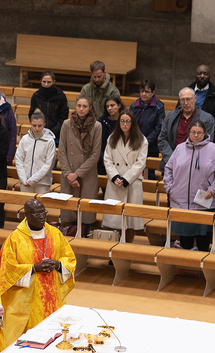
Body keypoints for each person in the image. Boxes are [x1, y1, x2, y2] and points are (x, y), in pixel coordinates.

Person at [0, 199, 77, 345]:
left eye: (43, 212)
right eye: (37, 214)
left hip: (53, 295)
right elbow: (6, 271)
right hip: (29, 300)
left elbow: (69, 259)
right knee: (32, 340)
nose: (42, 217)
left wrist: (57, 264)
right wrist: (33, 269)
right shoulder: (15, 239)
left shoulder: (55, 234)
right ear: (26, 215)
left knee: (55, 335)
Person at [163, 121, 215, 251]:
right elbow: (168, 169)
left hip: (204, 202)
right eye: (193, 132)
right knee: (185, 243)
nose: (196, 135)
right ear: (189, 132)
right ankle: (186, 263)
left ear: (205, 133)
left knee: (203, 243)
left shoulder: (214, 149)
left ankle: (202, 264)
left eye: (199, 133)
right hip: (181, 203)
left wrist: (213, 189)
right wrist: (170, 187)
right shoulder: (180, 148)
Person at [102, 110, 149, 243]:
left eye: (128, 121)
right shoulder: (112, 138)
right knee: (115, 218)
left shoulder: (142, 140)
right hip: (115, 182)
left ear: (133, 122)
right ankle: (115, 246)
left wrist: (126, 179)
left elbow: (140, 163)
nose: (125, 124)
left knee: (131, 219)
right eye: (122, 121)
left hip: (132, 183)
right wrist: (115, 177)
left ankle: (127, 246)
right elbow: (107, 160)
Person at [58, 96, 102, 236]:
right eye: (79, 106)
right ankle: (71, 240)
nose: (81, 109)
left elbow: (95, 155)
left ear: (90, 108)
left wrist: (77, 174)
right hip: (69, 174)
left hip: (87, 175)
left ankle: (84, 240)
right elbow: (62, 151)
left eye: (84, 106)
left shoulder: (96, 126)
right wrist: (69, 174)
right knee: (70, 210)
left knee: (86, 211)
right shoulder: (66, 124)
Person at [157, 87, 215, 175]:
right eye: (182, 100)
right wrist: (173, 159)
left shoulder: (207, 119)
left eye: (189, 99)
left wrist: (186, 162)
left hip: (194, 169)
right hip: (171, 165)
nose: (186, 103)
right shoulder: (170, 116)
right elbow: (162, 140)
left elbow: (207, 144)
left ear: (195, 99)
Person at [129, 79, 165, 178]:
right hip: (136, 144)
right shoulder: (134, 106)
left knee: (150, 174)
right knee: (135, 171)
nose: (144, 94)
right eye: (142, 91)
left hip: (152, 146)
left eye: (147, 91)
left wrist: (146, 141)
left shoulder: (159, 107)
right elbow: (130, 124)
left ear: (153, 92)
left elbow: (159, 127)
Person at [14, 111, 56, 192]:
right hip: (25, 182)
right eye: (34, 125)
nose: (37, 128)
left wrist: (33, 180)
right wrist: (23, 179)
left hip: (42, 183)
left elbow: (48, 164)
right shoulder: (25, 139)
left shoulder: (49, 141)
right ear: (30, 124)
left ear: (44, 124)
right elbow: (18, 159)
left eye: (40, 126)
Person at [28, 70, 68, 144]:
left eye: (49, 82)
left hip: (56, 135)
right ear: (40, 81)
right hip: (39, 132)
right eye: (44, 82)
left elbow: (63, 116)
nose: (46, 84)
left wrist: (53, 132)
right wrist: (39, 129)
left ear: (54, 82)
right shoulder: (36, 96)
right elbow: (31, 114)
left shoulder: (61, 96)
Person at [97, 95, 124, 175]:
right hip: (103, 160)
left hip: (120, 161)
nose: (109, 108)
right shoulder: (101, 121)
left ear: (119, 105)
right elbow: (97, 142)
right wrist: (103, 159)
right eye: (107, 106)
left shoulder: (124, 121)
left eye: (112, 105)